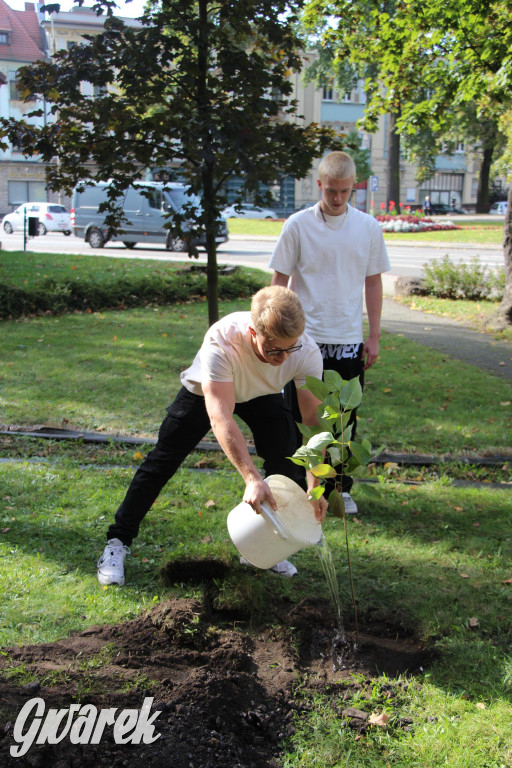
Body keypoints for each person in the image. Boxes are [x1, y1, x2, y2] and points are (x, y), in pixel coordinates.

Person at [97, 286, 328, 586]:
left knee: (285, 460)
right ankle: (117, 543)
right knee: (163, 460)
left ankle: (264, 549)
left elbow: (313, 424)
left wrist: (315, 485)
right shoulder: (223, 340)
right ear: (252, 332)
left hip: (263, 394)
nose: (284, 358)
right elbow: (221, 417)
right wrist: (251, 477)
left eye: (290, 348)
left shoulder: (305, 351)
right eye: (274, 350)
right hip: (207, 391)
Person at [269, 151, 391, 514]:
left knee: (343, 417)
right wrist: (275, 334)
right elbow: (279, 281)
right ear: (319, 184)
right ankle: (297, 484)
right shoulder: (297, 225)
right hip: (303, 341)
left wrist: (374, 335)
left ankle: (340, 488)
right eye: (331, 191)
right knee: (298, 417)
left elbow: (373, 283)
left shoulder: (367, 228)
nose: (337, 199)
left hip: (348, 340)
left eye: (344, 192)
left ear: (354, 186)